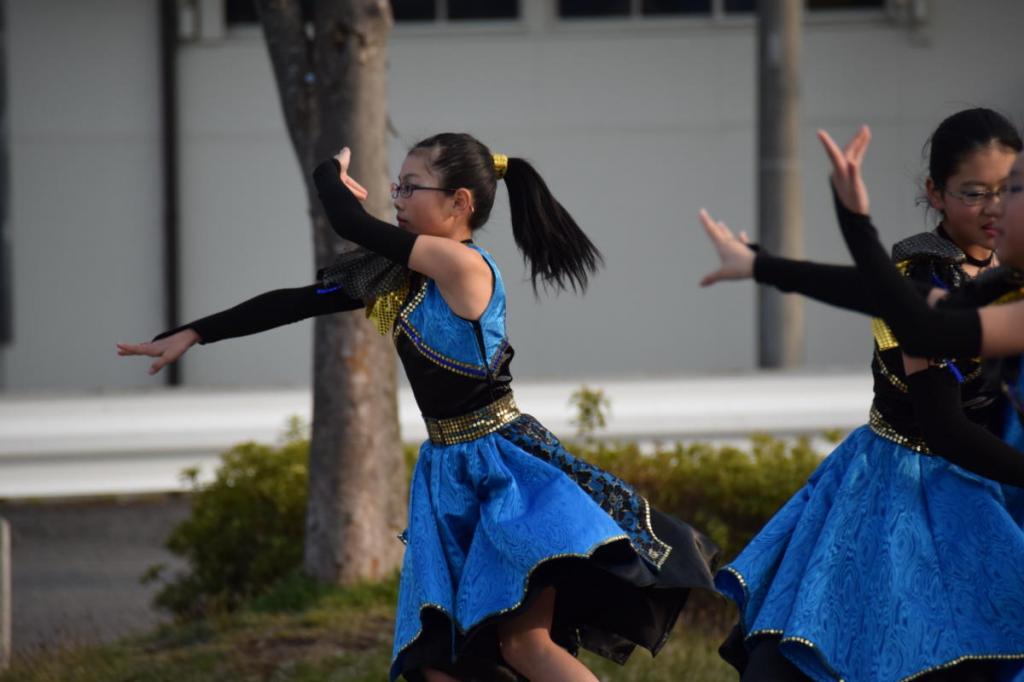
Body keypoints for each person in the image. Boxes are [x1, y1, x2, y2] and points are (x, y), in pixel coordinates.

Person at [119, 133, 719, 682]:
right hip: (448, 476)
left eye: (410, 187)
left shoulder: (463, 266)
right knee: (437, 664)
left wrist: (327, 171)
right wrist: (195, 332)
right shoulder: (401, 276)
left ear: (459, 203)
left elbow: (349, 219)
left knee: (523, 644)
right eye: (396, 186)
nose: (397, 197)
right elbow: (296, 302)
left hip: (504, 473)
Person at [697, 110, 1024, 681]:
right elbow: (913, 326)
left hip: (988, 478)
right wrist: (777, 257)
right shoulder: (947, 274)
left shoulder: (1008, 279)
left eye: (1009, 191)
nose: (995, 208)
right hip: (909, 480)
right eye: (977, 193)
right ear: (936, 193)